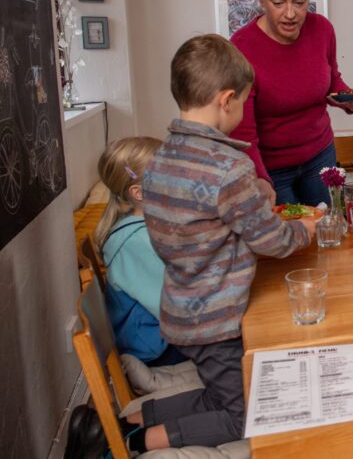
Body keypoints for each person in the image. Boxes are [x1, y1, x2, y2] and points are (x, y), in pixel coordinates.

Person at [126, 34, 315, 452]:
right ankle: (133, 442)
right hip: (218, 320)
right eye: (246, 102)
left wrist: (255, 198)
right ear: (226, 99)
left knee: (222, 391)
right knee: (247, 413)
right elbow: (273, 241)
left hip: (181, 308)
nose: (244, 110)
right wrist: (307, 230)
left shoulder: (159, 160)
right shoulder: (229, 166)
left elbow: (201, 219)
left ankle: (138, 415)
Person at [230, 0, 353, 206]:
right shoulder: (241, 47)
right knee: (290, 241)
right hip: (271, 168)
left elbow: (331, 81)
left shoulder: (322, 30)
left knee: (329, 231)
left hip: (320, 156)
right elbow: (243, 131)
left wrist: (348, 100)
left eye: (299, 2)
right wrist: (260, 178)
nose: (290, 13)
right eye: (278, 3)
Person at [93, 136, 186, 367]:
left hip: (164, 338)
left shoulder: (146, 227)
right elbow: (178, 314)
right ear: (139, 193)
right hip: (158, 351)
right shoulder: (137, 242)